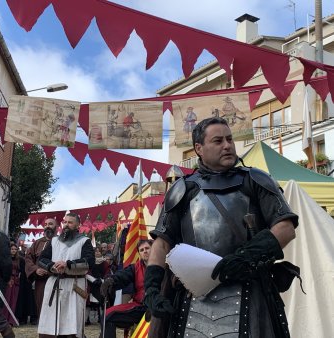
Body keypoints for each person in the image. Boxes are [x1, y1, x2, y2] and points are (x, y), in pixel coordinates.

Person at [145, 117, 299, 338]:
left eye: (229, 139)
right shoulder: (182, 189)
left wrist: (244, 258)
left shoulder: (256, 180)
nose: (227, 145)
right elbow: (162, 243)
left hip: (250, 291)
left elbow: (285, 227)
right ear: (199, 148)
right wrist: (151, 288)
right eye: (218, 141)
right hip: (192, 298)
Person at [37, 213, 95, 338]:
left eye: (70, 222)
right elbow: (42, 259)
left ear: (78, 225)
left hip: (74, 285)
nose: (66, 225)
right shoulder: (54, 241)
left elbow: (89, 262)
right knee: (50, 321)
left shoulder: (84, 241)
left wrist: (67, 265)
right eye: (65, 222)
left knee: (72, 322)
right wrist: (52, 266)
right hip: (54, 283)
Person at [99, 239, 152, 338]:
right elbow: (122, 276)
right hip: (140, 306)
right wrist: (111, 280)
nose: (145, 251)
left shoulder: (164, 266)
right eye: (141, 250)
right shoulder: (135, 268)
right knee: (107, 315)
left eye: (147, 248)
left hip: (157, 308)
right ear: (139, 254)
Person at [25, 218, 59, 325]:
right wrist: (36, 269)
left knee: (56, 308)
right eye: (45, 224)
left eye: (50, 224)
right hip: (41, 282)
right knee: (41, 307)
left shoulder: (62, 242)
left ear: (57, 227)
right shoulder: (37, 243)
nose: (47, 226)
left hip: (57, 281)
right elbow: (28, 258)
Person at [2, 242, 23, 326]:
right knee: (6, 300)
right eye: (12, 249)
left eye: (15, 249)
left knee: (13, 301)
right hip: (8, 281)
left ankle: (11, 320)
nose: (13, 251)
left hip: (16, 282)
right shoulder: (6, 259)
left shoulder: (20, 259)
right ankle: (4, 319)